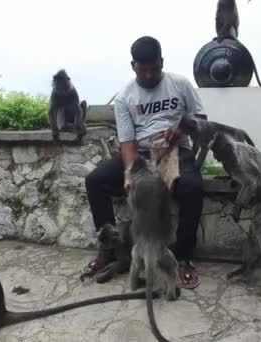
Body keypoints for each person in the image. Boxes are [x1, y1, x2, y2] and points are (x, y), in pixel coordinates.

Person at [83, 36, 205, 289]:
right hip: (139, 155)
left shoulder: (180, 84)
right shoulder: (125, 96)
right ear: (133, 66)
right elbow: (127, 142)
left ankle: (182, 257)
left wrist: (180, 128)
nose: (149, 75)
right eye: (143, 70)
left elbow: (201, 119)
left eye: (154, 69)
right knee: (95, 181)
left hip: (175, 151)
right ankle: (112, 251)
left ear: (162, 62)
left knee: (192, 188)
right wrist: (129, 173)